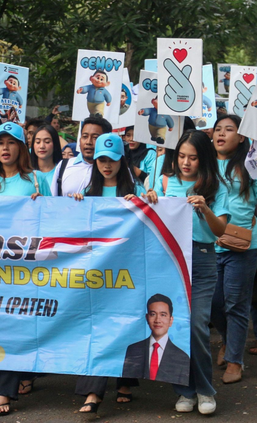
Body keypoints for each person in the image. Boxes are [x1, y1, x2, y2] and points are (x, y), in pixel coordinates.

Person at [145, 130, 230, 415]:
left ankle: (206, 391)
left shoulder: (218, 186)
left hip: (203, 261)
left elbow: (220, 231)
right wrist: (150, 198)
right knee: (174, 327)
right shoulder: (165, 180)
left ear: (203, 159)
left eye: (193, 158)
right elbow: (150, 216)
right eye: (181, 156)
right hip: (168, 260)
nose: (185, 162)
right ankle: (185, 391)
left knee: (196, 327)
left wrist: (205, 208)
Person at [0, 122, 49, 416]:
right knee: (9, 326)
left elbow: (52, 219)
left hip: (27, 267)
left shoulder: (35, 180)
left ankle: (5, 390)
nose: (5, 148)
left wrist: (41, 205)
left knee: (21, 324)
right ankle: (21, 375)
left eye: (11, 142)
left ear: (22, 147)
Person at [70, 133, 145, 413]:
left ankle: (125, 379)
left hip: (127, 273)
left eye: (113, 160)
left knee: (124, 324)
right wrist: (76, 206)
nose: (107, 165)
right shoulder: (88, 194)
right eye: (102, 159)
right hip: (97, 275)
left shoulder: (134, 190)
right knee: (98, 328)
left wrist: (144, 202)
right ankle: (93, 392)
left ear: (121, 161)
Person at [210, 115, 257, 384]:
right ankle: (228, 341)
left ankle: (235, 362)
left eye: (229, 129)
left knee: (237, 306)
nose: (222, 133)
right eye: (218, 129)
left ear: (241, 137)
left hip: (243, 246)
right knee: (215, 304)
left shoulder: (250, 166)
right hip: (210, 245)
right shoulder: (204, 164)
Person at [122, 294, 189, 384]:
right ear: (147, 318)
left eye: (163, 315)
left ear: (171, 320)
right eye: (153, 314)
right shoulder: (133, 349)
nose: (158, 320)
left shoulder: (182, 357)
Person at [50, 116, 112, 197]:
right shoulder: (63, 166)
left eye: (95, 138)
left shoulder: (115, 169)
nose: (88, 142)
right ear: (79, 140)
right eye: (85, 136)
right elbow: (52, 201)